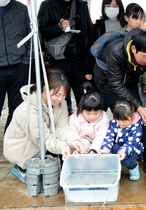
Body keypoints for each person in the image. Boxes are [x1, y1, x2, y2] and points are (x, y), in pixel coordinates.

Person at [93, 28, 146, 175]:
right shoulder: (115, 51)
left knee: (141, 116)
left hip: (130, 81)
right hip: (107, 81)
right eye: (145, 56)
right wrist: (137, 106)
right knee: (125, 114)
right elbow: (115, 83)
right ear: (134, 49)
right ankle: (108, 153)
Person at [3, 69, 85, 184]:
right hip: (25, 147)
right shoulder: (28, 110)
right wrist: (63, 147)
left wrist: (74, 140)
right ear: (45, 89)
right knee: (48, 179)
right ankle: (21, 167)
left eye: (64, 95)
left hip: (45, 141)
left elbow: (61, 127)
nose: (60, 99)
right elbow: (42, 139)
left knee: (67, 160)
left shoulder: (61, 104)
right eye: (57, 95)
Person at [37, 0, 93, 113]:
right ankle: (61, 124)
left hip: (79, 60)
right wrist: (58, 28)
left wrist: (88, 65)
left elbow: (88, 33)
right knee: (59, 98)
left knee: (82, 98)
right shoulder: (47, 5)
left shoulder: (81, 5)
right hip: (57, 60)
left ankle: (83, 125)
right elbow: (40, 31)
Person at [0, 0, 31, 131]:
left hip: (19, 67)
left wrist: (26, 60)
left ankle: (10, 143)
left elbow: (32, 35)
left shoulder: (22, 9)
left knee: (17, 109)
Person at [101, 100, 144, 181]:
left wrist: (123, 151)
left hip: (133, 150)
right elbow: (109, 136)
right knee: (113, 149)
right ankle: (115, 168)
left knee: (127, 161)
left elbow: (132, 143)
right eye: (118, 119)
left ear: (133, 116)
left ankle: (133, 167)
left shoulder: (137, 128)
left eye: (124, 120)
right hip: (118, 147)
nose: (121, 123)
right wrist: (105, 148)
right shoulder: (114, 123)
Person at [85, 0, 124, 82]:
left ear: (120, 7)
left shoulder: (125, 24)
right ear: (103, 7)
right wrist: (88, 69)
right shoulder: (98, 26)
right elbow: (91, 47)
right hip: (103, 68)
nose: (111, 8)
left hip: (122, 68)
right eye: (108, 6)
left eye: (115, 6)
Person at [68, 82, 109, 154]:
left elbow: (100, 136)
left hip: (98, 143)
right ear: (81, 109)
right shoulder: (74, 118)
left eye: (96, 113)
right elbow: (72, 135)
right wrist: (75, 149)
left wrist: (94, 149)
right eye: (88, 113)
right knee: (84, 142)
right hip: (80, 144)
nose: (92, 116)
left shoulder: (104, 118)